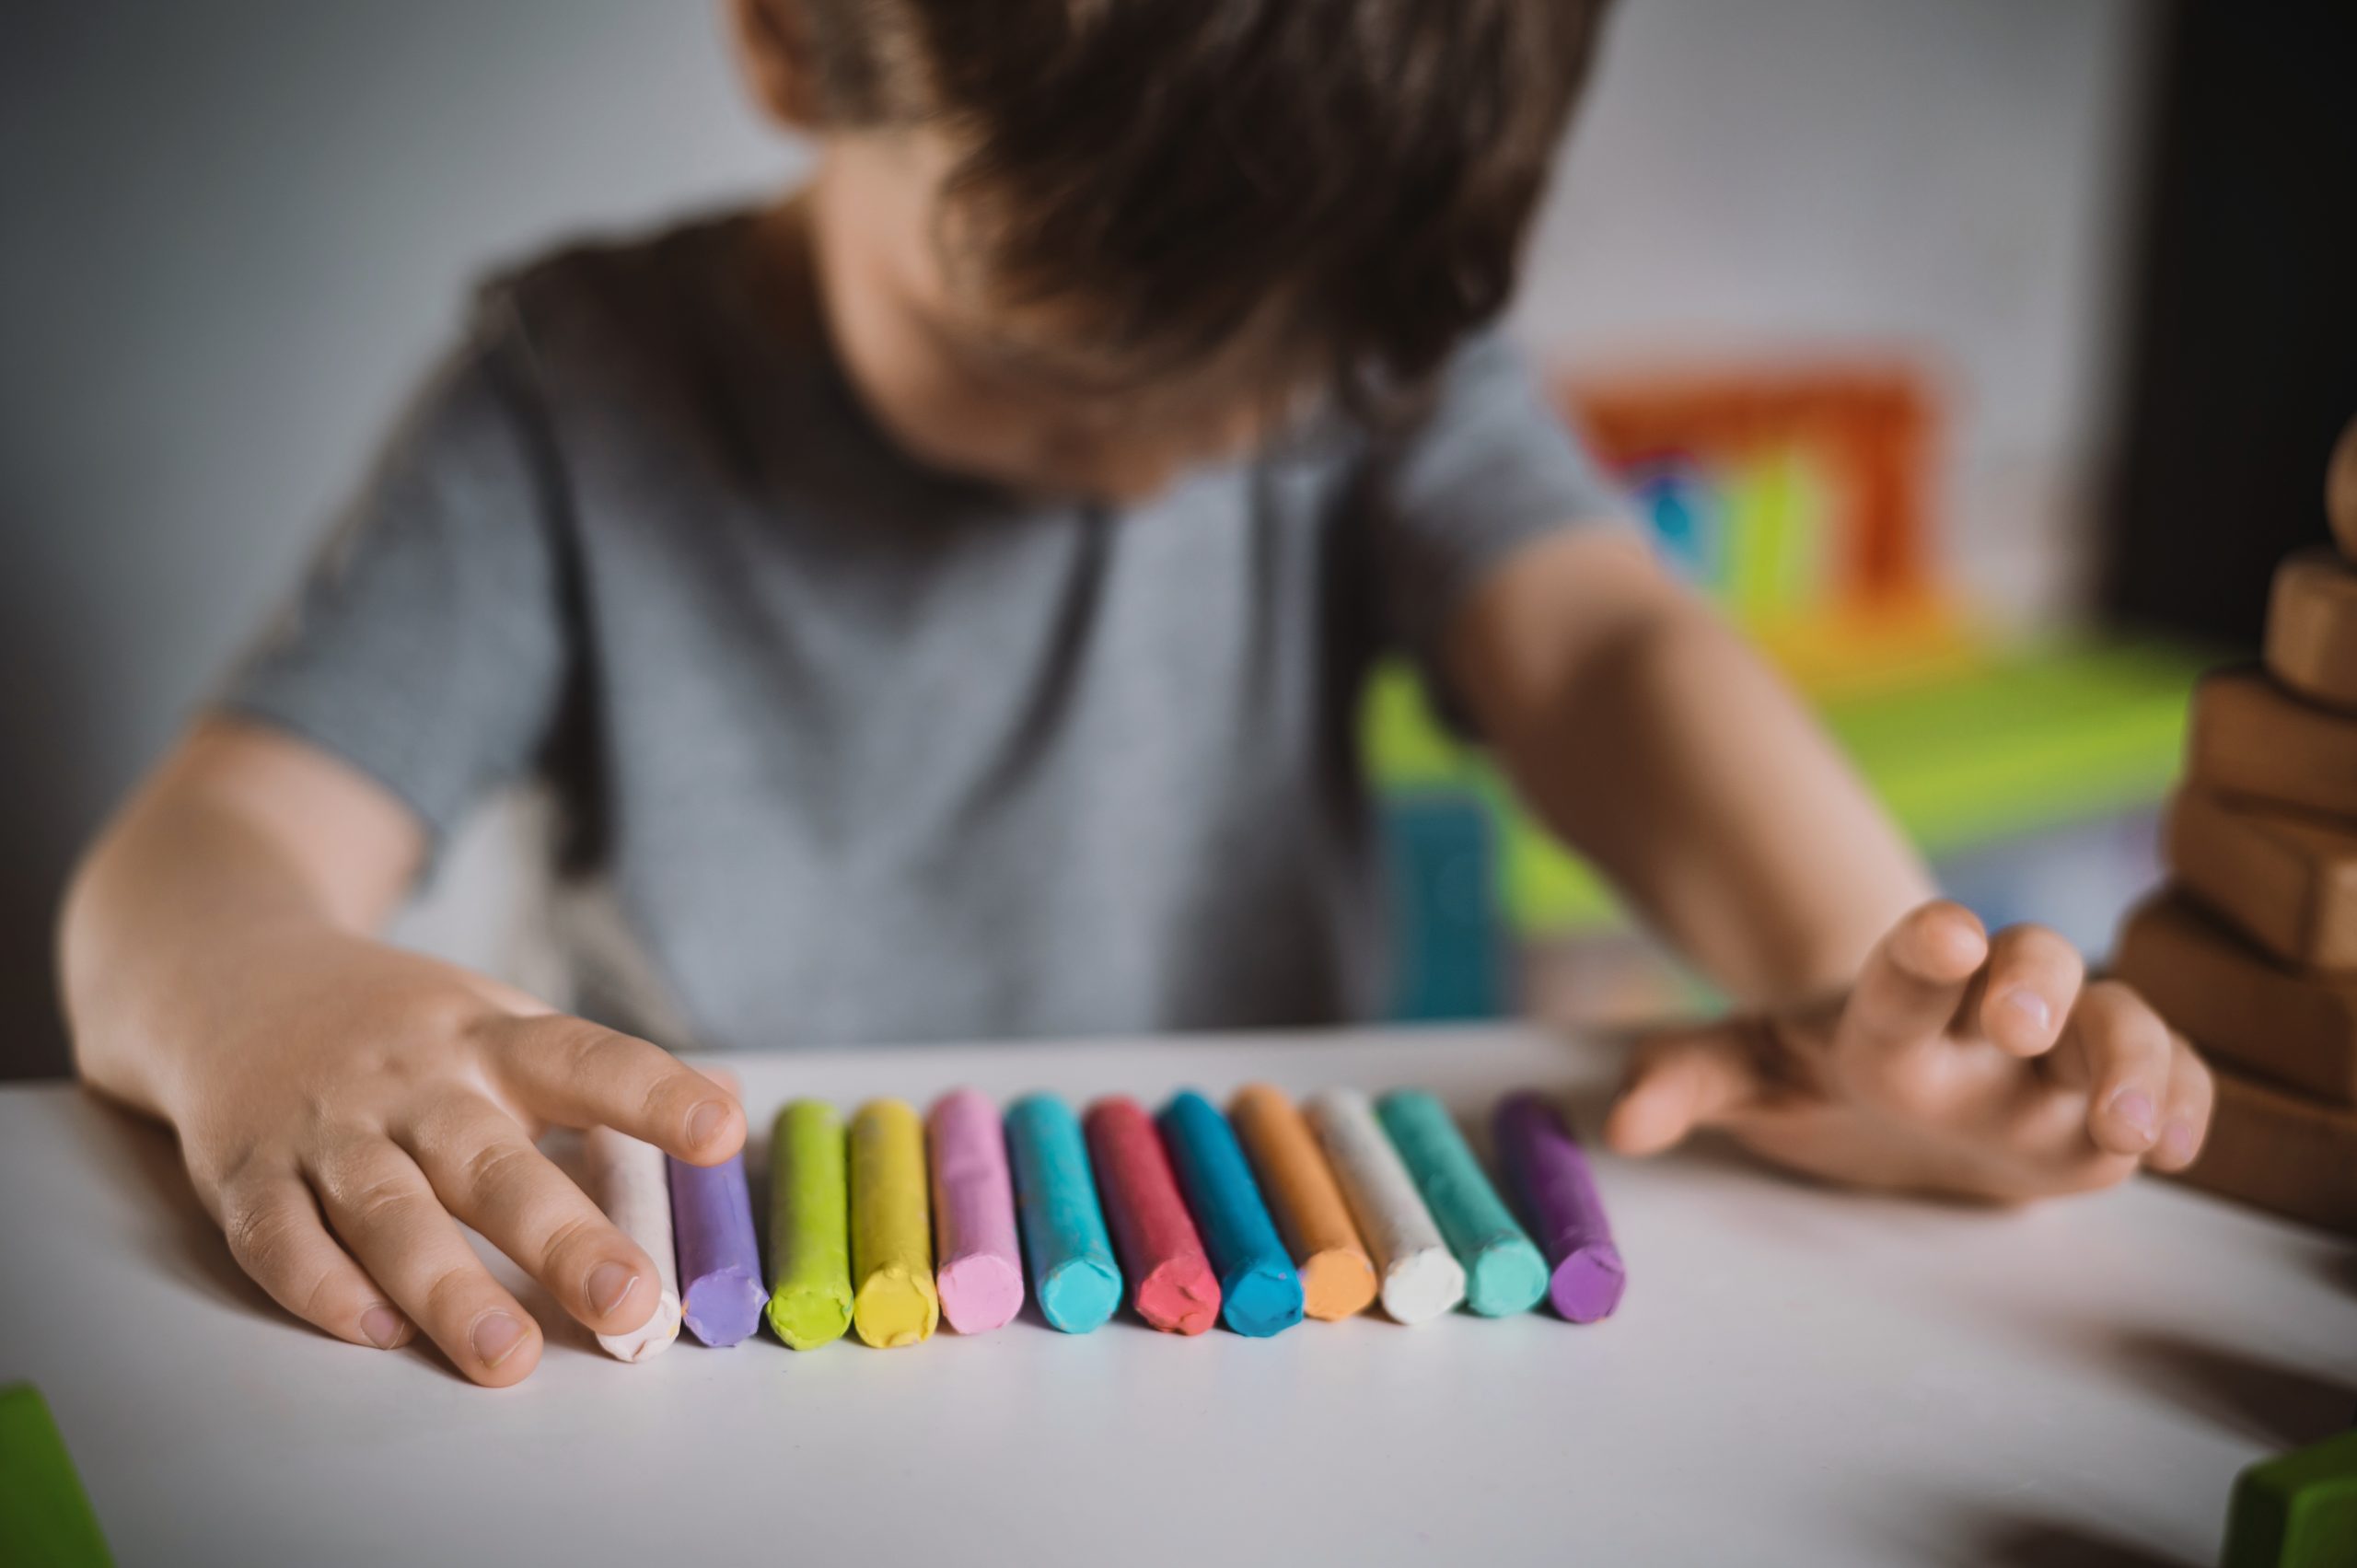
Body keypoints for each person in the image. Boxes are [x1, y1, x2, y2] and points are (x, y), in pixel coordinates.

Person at [58, 0, 2210, 1388]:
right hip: (724, 1345)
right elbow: (209, 853)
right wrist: (263, 999)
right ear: (802, 42)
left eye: (1274, 398)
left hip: (1272, 1324)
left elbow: (1600, 647)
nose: (1183, 454)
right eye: (1059, 370)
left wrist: (1866, 973)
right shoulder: (571, 399)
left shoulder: (1370, 354)